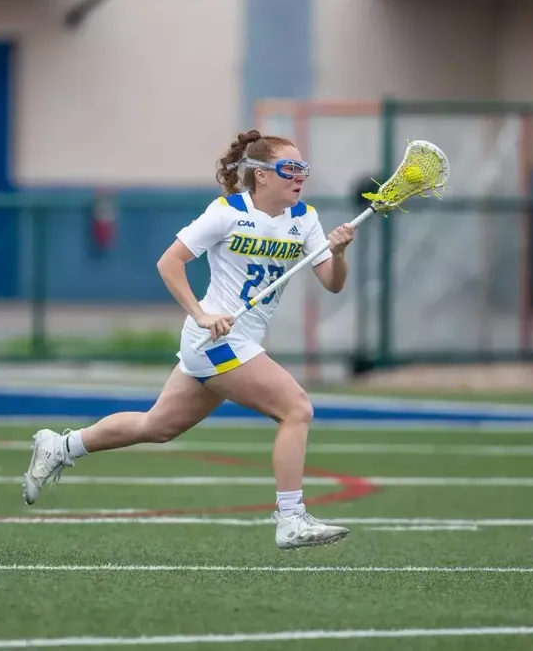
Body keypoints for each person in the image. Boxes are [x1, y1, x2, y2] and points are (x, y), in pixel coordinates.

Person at [21, 129, 357, 550]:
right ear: (260, 176)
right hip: (215, 339)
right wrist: (201, 313)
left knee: (156, 426)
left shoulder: (304, 219)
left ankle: (60, 446)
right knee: (296, 408)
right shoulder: (226, 212)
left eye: (303, 168)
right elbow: (169, 262)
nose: (300, 176)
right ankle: (290, 519)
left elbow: (332, 283)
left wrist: (339, 253)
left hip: (243, 340)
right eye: (289, 168)